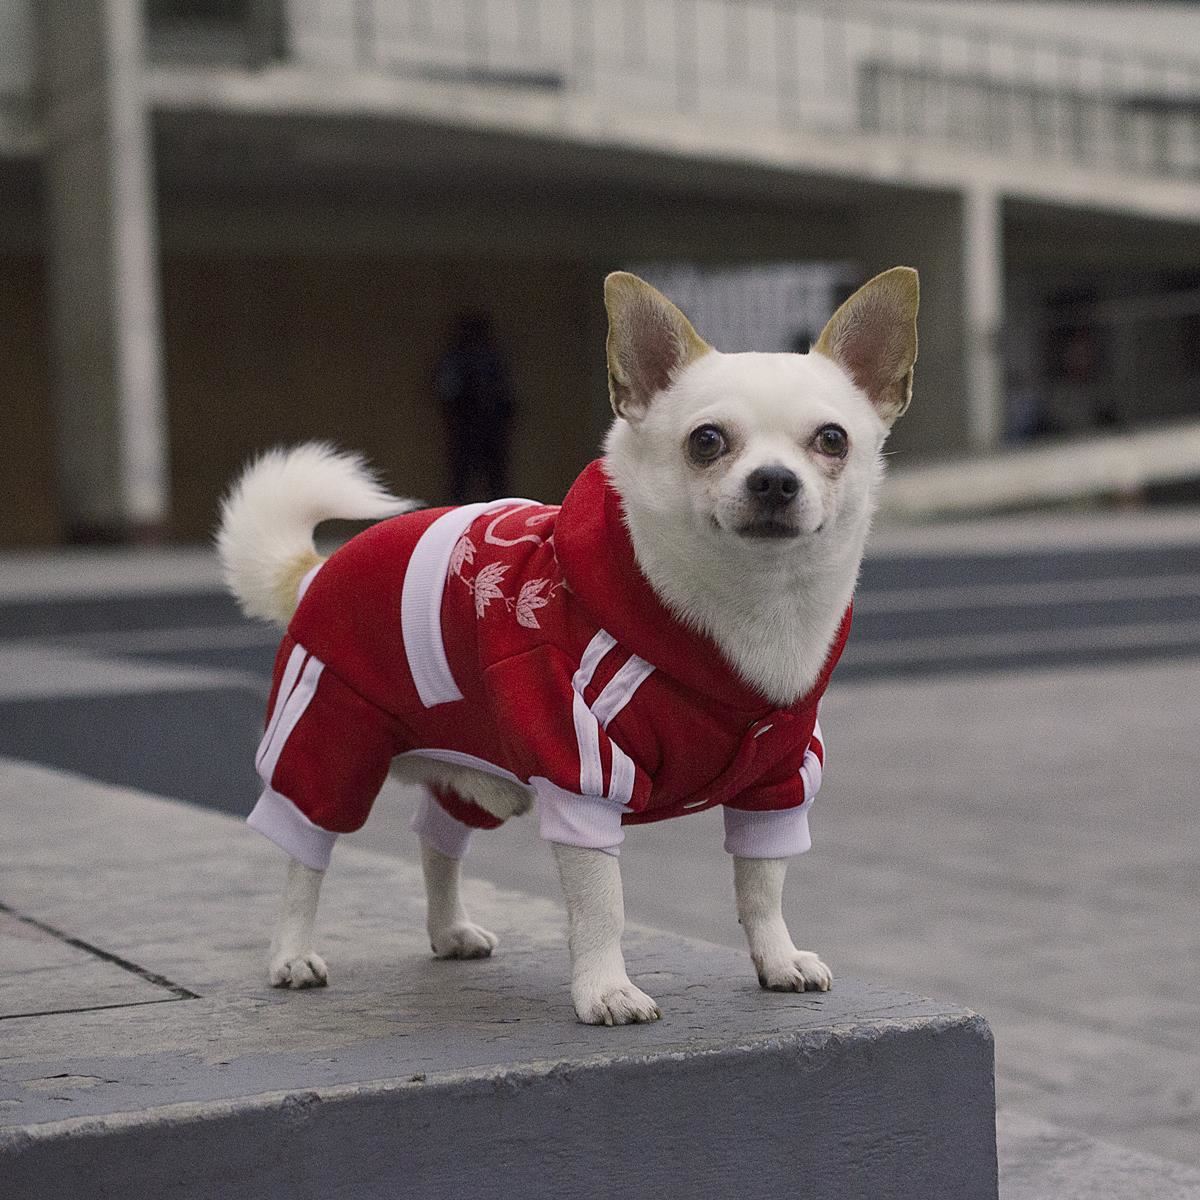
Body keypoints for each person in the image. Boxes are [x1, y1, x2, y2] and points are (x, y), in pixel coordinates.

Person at [434, 313, 514, 503]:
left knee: (496, 484)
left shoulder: (493, 359)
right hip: (466, 426)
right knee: (460, 484)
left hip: (492, 427)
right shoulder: (455, 359)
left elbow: (506, 393)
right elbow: (446, 390)